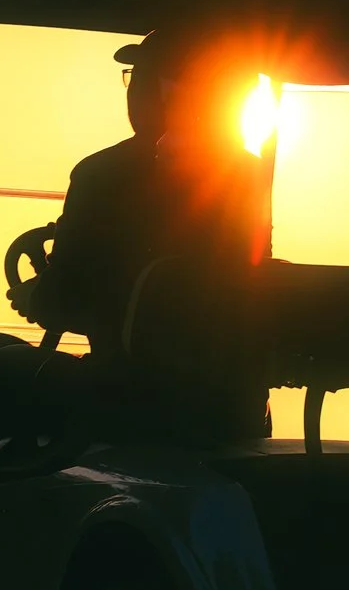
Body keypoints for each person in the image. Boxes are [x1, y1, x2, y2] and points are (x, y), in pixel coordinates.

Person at [14, 34, 270, 440]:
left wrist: (36, 296)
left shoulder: (102, 174)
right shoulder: (247, 174)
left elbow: (64, 300)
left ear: (164, 90)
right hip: (231, 407)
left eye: (139, 78)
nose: (132, 91)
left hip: (122, 395)